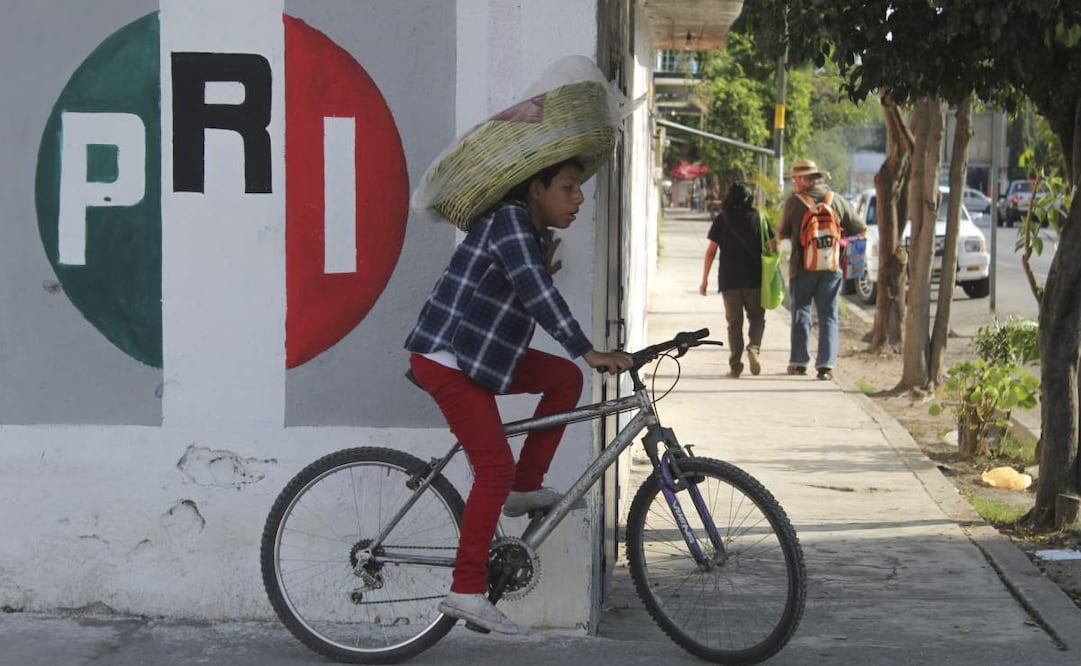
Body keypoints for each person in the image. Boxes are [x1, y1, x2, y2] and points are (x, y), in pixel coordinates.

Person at [404, 158, 633, 635]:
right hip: (449, 357)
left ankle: (523, 488)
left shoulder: (527, 233)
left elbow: (520, 279)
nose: (579, 198)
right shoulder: (509, 221)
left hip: (483, 354)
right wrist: (589, 351)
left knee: (564, 380)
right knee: (492, 469)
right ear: (536, 188)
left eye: (578, 189)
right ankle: (465, 590)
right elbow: (534, 293)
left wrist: (540, 263)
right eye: (568, 188)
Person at [778, 159, 866, 381]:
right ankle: (826, 365)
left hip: (803, 267)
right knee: (829, 315)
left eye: (797, 178)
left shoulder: (794, 203)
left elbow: (783, 235)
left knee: (801, 313)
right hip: (831, 267)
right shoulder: (836, 201)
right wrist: (841, 246)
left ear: (807, 180)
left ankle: (799, 363)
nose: (794, 182)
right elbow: (861, 230)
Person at [698, 181, 770, 378]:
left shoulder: (723, 219)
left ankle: (735, 366)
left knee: (734, 323)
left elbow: (711, 252)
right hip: (755, 279)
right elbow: (772, 247)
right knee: (757, 318)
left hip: (729, 280)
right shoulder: (759, 218)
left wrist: (704, 280)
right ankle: (754, 348)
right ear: (750, 198)